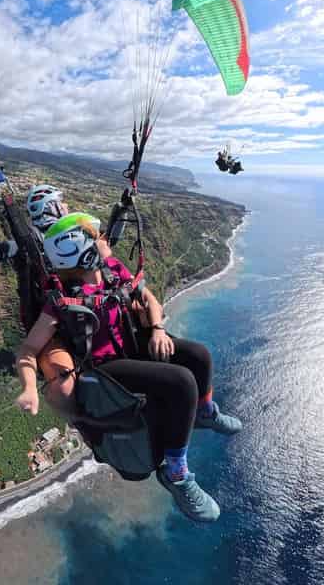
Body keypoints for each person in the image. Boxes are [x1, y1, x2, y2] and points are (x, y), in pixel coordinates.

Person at [14, 213, 242, 522]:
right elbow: (29, 349)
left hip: (133, 344)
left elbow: (146, 298)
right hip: (106, 367)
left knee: (198, 356)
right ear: (81, 249)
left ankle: (205, 412)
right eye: (95, 237)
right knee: (182, 382)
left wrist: (158, 329)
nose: (102, 241)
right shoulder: (62, 301)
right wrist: (30, 388)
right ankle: (176, 475)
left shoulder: (112, 271)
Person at [0, 184, 121, 416]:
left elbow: (105, 251)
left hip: (84, 310)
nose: (66, 206)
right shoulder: (27, 244)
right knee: (64, 385)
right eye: (61, 203)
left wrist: (120, 214)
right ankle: (86, 421)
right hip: (51, 323)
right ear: (50, 207)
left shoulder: (75, 233)